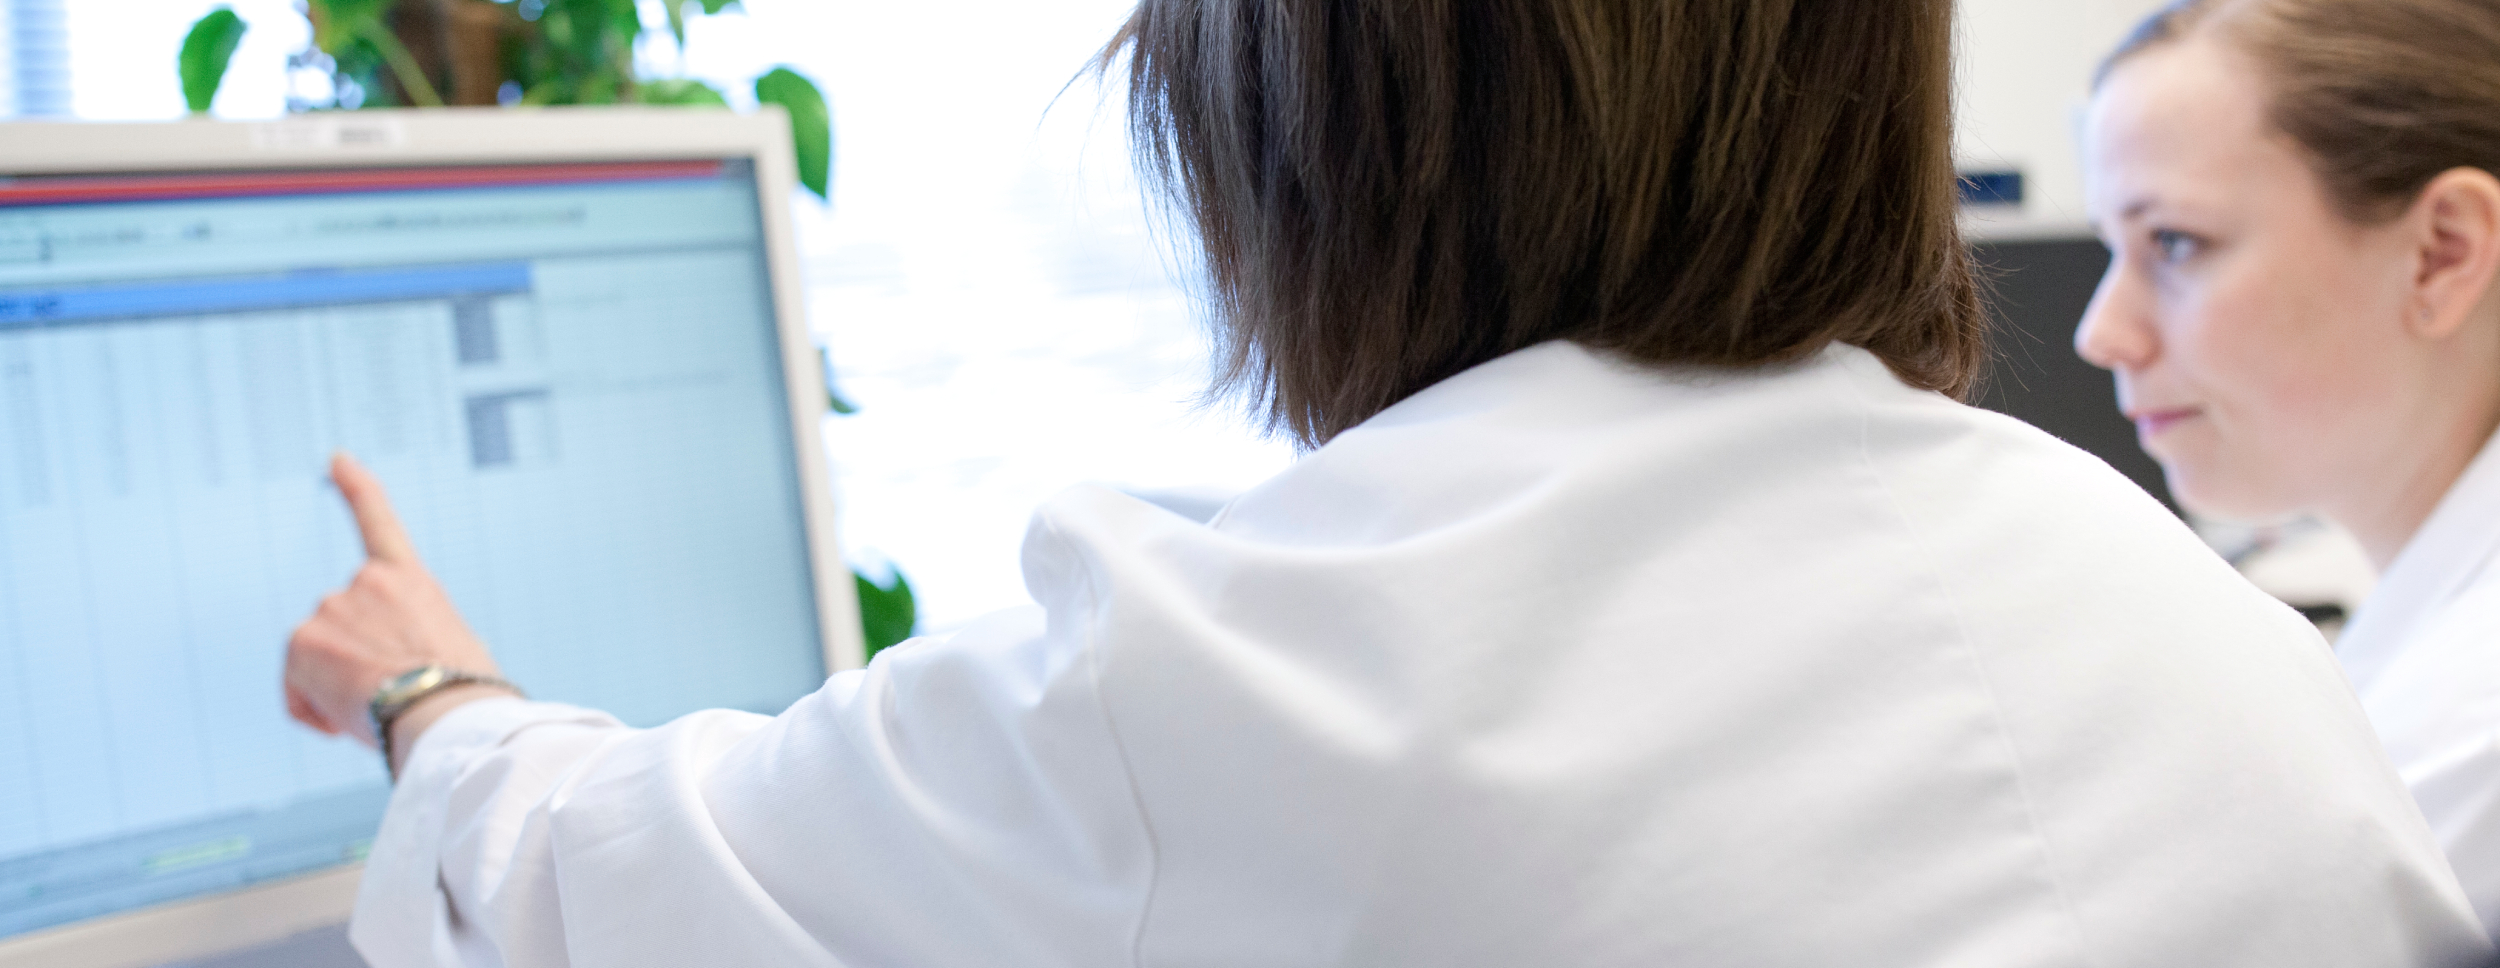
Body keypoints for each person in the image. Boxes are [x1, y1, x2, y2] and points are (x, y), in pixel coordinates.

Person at [285, 1, 2488, 964]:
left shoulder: (1260, 666)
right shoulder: (2197, 631)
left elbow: (610, 884)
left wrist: (428, 700)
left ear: (1295, 159)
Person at [2080, 0, 2500, 938]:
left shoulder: (2474, 725)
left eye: (2175, 243)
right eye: (2114, 249)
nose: (2102, 333)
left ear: (2443, 254)